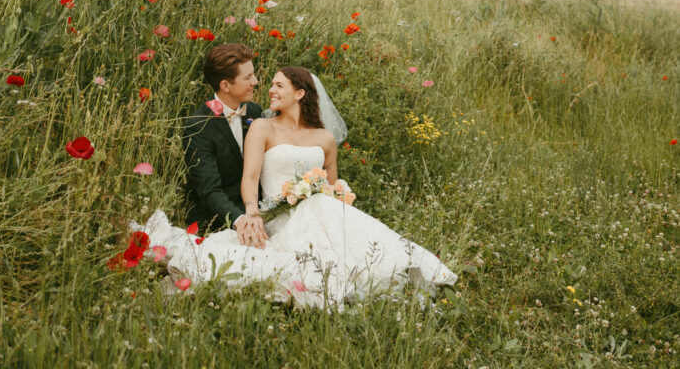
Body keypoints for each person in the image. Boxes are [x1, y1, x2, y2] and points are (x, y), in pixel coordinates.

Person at [141, 65, 457, 307]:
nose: (269, 90)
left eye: (279, 85)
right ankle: (341, 280)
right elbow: (250, 179)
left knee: (324, 205)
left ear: (300, 93)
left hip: (321, 210)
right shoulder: (262, 126)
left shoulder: (325, 139)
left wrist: (332, 191)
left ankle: (391, 270)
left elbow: (333, 186)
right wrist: (251, 212)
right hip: (280, 214)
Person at [182, 42, 267, 247]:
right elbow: (209, 190)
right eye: (247, 77)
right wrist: (241, 220)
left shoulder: (255, 112)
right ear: (225, 85)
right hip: (221, 219)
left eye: (253, 74)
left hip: (259, 208)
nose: (255, 81)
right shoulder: (198, 126)